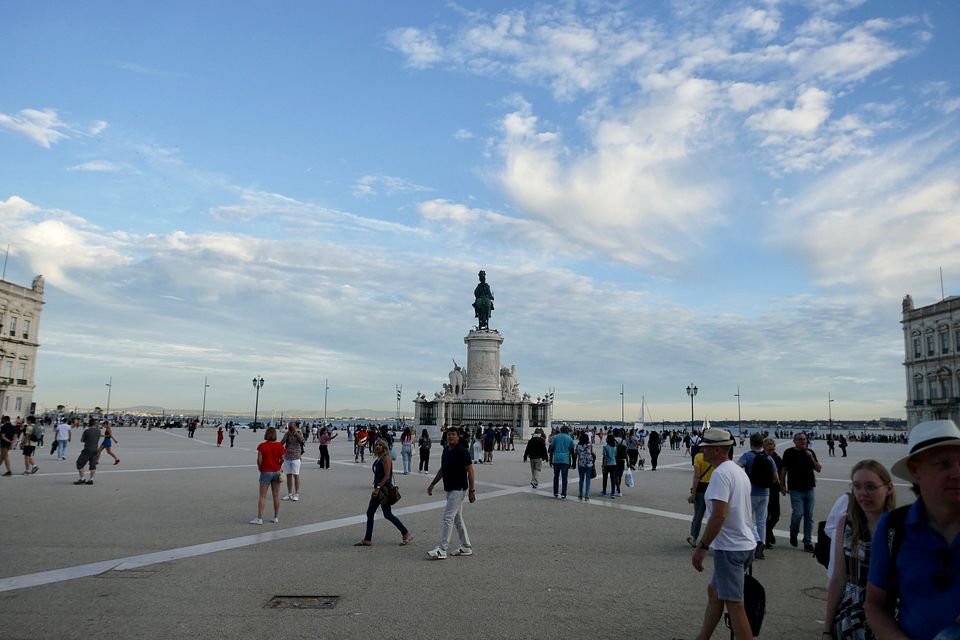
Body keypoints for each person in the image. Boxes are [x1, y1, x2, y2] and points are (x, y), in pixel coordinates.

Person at [865, 419, 960, 640]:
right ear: (915, 469)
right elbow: (875, 604)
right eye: (944, 464)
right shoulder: (893, 527)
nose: (957, 473)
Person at [690, 428, 758, 640]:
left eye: (705, 448)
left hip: (730, 548)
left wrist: (701, 547)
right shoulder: (737, 471)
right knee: (715, 594)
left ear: (717, 449)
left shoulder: (720, 474)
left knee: (735, 605)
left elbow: (718, 516)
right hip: (744, 543)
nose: (700, 452)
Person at [823, 460, 895, 640]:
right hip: (849, 618)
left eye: (871, 486)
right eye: (857, 486)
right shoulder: (846, 524)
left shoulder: (900, 528)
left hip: (889, 618)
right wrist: (826, 628)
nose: (863, 493)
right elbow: (839, 578)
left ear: (889, 488)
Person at [426, 429, 475, 559]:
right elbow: (443, 469)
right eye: (449, 435)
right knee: (457, 518)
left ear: (458, 437)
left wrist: (471, 490)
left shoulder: (462, 451)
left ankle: (442, 548)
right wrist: (433, 483)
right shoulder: (446, 451)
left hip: (459, 489)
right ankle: (466, 546)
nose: (450, 437)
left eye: (453, 434)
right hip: (449, 488)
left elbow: (470, 471)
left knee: (448, 517)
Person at [354, 439, 413, 547]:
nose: (377, 446)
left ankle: (406, 533)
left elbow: (387, 476)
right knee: (371, 512)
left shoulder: (386, 458)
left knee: (387, 514)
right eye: (376, 444)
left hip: (383, 490)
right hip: (379, 489)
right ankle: (367, 539)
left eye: (380, 445)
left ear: (384, 447)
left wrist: (377, 488)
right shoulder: (380, 458)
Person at [737, 433, 777, 559]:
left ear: (750, 443)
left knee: (746, 519)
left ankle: (757, 542)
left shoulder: (747, 456)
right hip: (765, 493)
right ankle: (762, 545)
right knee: (761, 521)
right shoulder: (769, 458)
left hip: (751, 492)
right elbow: (775, 478)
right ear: (762, 444)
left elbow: (737, 468)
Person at [780, 432, 822, 551]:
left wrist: (811, 457)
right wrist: (782, 485)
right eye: (800, 439)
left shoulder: (810, 452)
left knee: (809, 516)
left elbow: (818, 469)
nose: (803, 441)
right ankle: (793, 533)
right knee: (798, 514)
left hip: (809, 489)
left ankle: (807, 542)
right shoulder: (789, 452)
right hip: (795, 489)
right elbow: (784, 469)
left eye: (805, 439)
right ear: (794, 441)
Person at [251, 426, 285, 525]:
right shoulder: (279, 446)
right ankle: (275, 517)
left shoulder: (262, 446)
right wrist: (279, 465)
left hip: (266, 471)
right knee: (276, 495)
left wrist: (259, 467)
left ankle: (260, 518)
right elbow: (282, 458)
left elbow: (259, 460)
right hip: (277, 471)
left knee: (262, 496)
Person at [688, 447, 716, 546]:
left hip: (701, 489)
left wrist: (693, 494)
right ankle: (712, 540)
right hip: (713, 488)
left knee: (698, 515)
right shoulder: (715, 457)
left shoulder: (698, 457)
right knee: (713, 516)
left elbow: (696, 476)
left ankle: (694, 538)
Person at [762, 437, 783, 548]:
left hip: (774, 489)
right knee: (765, 514)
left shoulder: (777, 458)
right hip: (764, 489)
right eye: (769, 449)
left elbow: (781, 472)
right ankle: (766, 537)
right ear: (764, 448)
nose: (772, 451)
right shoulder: (760, 458)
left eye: (773, 449)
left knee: (776, 515)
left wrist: (782, 486)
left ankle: (768, 531)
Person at [280, 422, 304, 501]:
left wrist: (296, 434)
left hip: (296, 457)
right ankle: (289, 494)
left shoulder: (299, 433)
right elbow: (281, 443)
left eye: (292, 427)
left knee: (296, 475)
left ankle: (297, 494)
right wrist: (286, 435)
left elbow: (302, 441)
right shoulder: (287, 434)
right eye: (289, 427)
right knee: (288, 475)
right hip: (287, 457)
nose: (291, 429)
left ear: (295, 427)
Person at [74, 418, 101, 485]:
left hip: (87, 449)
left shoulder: (87, 431)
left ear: (89, 423)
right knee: (93, 465)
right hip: (95, 449)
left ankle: (82, 478)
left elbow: (82, 440)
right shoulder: (99, 431)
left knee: (79, 463)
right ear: (95, 423)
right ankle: (91, 479)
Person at [551, 425, 575, 499]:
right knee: (564, 477)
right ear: (567, 431)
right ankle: (563, 493)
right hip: (565, 460)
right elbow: (572, 452)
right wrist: (573, 462)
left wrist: (550, 459)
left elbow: (552, 449)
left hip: (557, 459)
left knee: (556, 476)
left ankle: (555, 492)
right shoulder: (570, 439)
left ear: (561, 430)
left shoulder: (555, 437)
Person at [575, 432, 595, 500]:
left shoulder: (578, 445)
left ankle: (580, 494)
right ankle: (587, 495)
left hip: (581, 463)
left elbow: (576, 454)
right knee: (588, 480)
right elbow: (594, 454)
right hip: (589, 464)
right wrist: (593, 462)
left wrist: (574, 463)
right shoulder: (590, 445)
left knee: (581, 479)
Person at [600, 434, 618, 498]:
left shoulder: (605, 447)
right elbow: (615, 456)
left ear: (608, 439)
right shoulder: (615, 447)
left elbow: (604, 457)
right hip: (613, 464)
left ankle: (604, 492)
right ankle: (613, 492)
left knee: (605, 479)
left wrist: (603, 465)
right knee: (613, 479)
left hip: (607, 464)